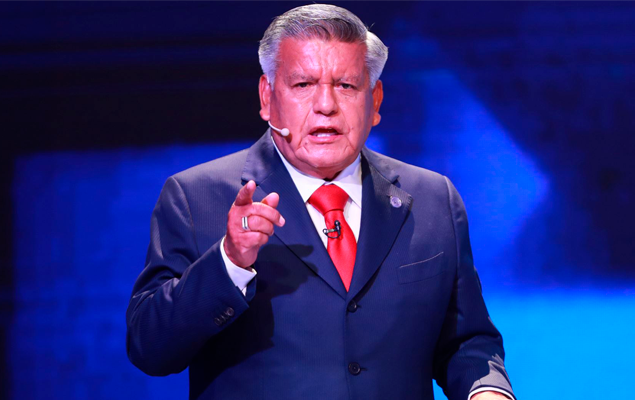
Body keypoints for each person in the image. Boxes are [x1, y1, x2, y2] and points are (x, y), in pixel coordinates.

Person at [126, 4, 514, 400]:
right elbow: (150, 349)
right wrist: (230, 262)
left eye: (346, 85)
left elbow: (467, 342)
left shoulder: (433, 199)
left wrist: (487, 390)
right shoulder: (196, 197)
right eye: (303, 85)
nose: (326, 105)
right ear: (267, 96)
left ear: (375, 100)